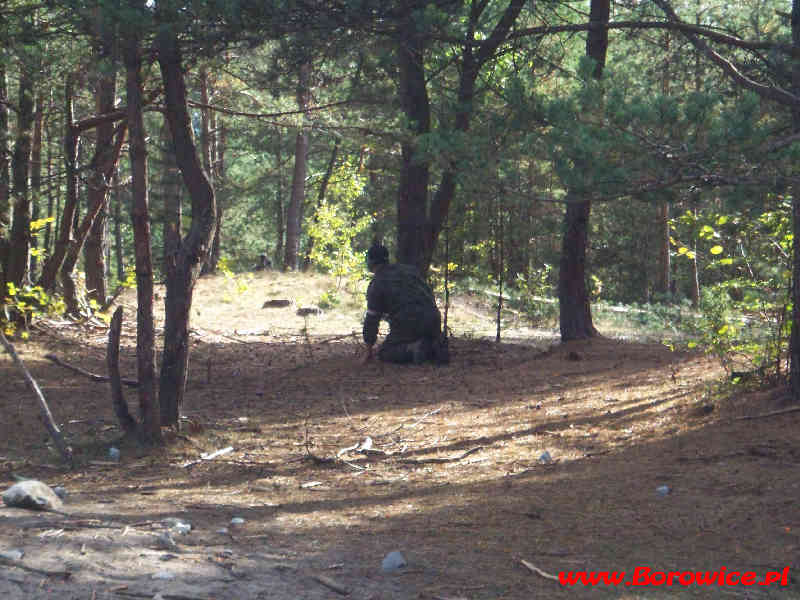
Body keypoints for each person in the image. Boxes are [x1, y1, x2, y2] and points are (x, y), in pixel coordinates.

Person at [361, 243, 446, 365]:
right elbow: (428, 294)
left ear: (370, 262)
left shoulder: (377, 283)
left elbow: (372, 320)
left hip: (409, 322)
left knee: (385, 352)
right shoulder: (409, 270)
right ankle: (433, 345)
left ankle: (413, 350)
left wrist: (368, 351)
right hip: (433, 319)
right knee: (419, 337)